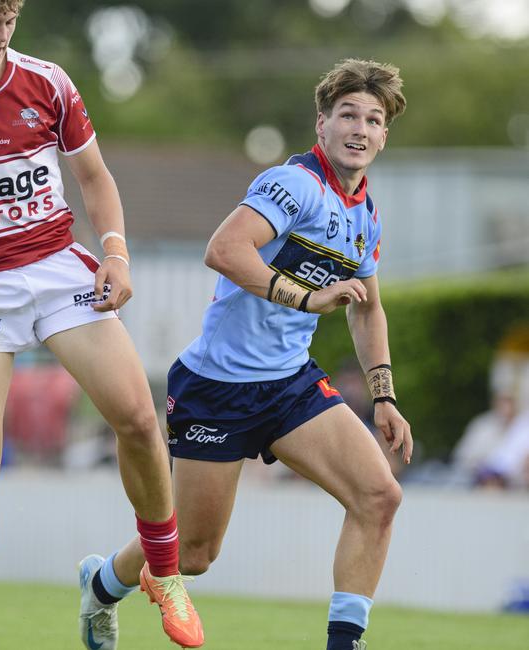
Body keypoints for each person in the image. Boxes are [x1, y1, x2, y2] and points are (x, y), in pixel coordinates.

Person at [0, 2, 203, 649]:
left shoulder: (49, 82)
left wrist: (116, 251)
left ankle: (163, 574)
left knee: (138, 418)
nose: (0, 35)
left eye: (8, 20)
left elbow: (94, 176)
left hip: (57, 272)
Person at [84, 58, 414, 650]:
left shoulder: (365, 214)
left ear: (385, 134)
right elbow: (225, 249)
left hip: (290, 386)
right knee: (193, 552)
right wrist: (308, 298)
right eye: (348, 115)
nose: (361, 128)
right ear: (322, 124)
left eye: (374, 118)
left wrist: (385, 397)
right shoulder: (293, 185)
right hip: (218, 387)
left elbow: (367, 307)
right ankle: (103, 584)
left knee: (379, 495)